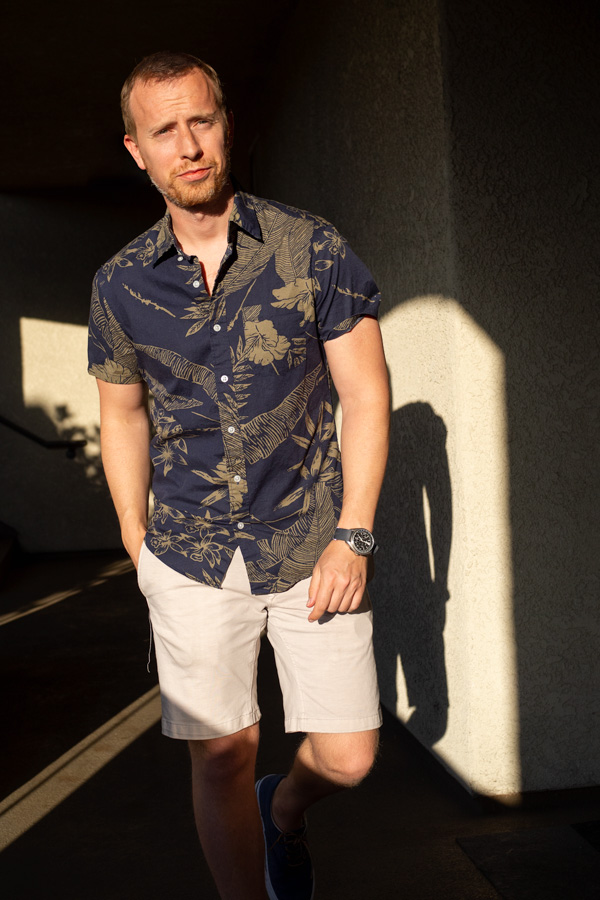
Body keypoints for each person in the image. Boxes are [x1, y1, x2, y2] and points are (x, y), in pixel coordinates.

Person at [88, 51, 389, 900]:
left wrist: (355, 533)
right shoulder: (118, 284)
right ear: (136, 149)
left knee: (350, 757)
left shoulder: (313, 247)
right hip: (186, 549)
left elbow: (366, 395)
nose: (187, 146)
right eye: (164, 131)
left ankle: (283, 811)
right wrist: (136, 539)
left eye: (201, 121)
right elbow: (122, 416)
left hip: (310, 539)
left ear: (226, 124)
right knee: (221, 753)